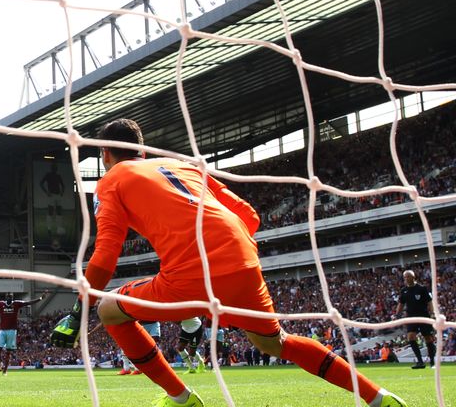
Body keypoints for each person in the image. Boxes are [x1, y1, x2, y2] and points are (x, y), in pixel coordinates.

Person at [50, 118, 407, 407]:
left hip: (191, 272)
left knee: (108, 311)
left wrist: (80, 308)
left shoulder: (111, 181)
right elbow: (249, 215)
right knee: (274, 343)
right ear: (141, 149)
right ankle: (378, 398)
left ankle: (181, 399)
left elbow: (107, 252)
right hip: (244, 263)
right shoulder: (182, 166)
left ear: (105, 155)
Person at [395, 269, 436, 369]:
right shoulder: (404, 290)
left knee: (428, 338)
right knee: (411, 337)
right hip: (411, 317)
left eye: (408, 276)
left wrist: (433, 313)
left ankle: (432, 362)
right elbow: (401, 304)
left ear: (413, 277)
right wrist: (397, 315)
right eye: (405, 277)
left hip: (423, 316)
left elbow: (429, 302)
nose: (406, 279)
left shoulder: (422, 289)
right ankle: (420, 362)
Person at [39, 162, 66, 241]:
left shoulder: (58, 176)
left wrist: (62, 192)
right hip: (51, 195)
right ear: (52, 168)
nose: (55, 169)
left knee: (59, 212)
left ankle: (59, 228)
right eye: (54, 167)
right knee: (50, 211)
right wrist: (46, 192)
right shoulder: (48, 175)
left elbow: (63, 185)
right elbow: (41, 183)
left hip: (57, 195)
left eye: (55, 167)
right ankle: (49, 229)